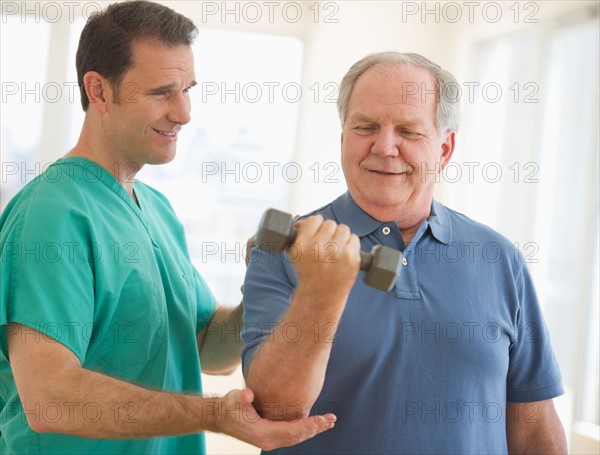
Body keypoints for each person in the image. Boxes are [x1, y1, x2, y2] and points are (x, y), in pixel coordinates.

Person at [0, 1, 337, 453]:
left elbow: (204, 348)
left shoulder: (155, 208)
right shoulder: (52, 214)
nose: (184, 113)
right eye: (162, 92)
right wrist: (216, 415)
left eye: (187, 89)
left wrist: (266, 282)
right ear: (99, 91)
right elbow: (50, 398)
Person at [241, 52, 567, 454]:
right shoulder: (283, 251)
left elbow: (534, 428)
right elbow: (275, 412)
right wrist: (320, 291)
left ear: (444, 149)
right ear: (344, 139)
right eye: (366, 127)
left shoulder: (499, 258)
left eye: (409, 131)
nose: (385, 146)